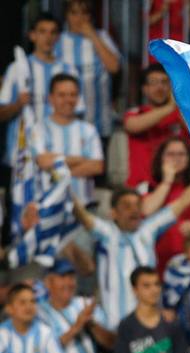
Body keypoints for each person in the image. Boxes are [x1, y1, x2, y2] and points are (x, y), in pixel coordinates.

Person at [72, 181, 190, 328]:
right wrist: (63, 184)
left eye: (137, 205)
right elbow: (82, 215)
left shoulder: (148, 229)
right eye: (127, 206)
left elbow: (182, 202)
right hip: (114, 329)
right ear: (113, 213)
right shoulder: (107, 233)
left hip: (149, 327)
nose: (134, 210)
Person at [0, 13, 80, 175]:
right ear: (32, 35)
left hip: (58, 153)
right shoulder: (17, 69)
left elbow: (78, 113)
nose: (48, 37)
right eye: (42, 31)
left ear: (58, 37)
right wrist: (18, 104)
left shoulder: (69, 70)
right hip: (22, 155)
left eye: (53, 32)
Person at [114, 266, 190, 353]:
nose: (154, 290)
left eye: (156, 284)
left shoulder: (171, 323)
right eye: (146, 285)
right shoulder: (127, 325)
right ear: (135, 289)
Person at [142, 137, 190, 274]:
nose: (176, 158)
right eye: (171, 154)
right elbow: (147, 210)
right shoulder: (148, 187)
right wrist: (167, 180)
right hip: (159, 261)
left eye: (181, 154)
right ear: (161, 158)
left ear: (189, 158)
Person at [33, 73, 104, 207]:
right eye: (62, 95)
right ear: (51, 98)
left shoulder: (89, 130)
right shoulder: (39, 128)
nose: (68, 99)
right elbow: (43, 161)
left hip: (83, 207)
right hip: (48, 207)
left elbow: (97, 166)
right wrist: (81, 159)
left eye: (73, 94)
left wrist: (59, 170)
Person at [56, 0, 121, 143]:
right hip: (66, 126)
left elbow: (114, 67)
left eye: (84, 13)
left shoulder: (102, 36)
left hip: (100, 125)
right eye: (74, 13)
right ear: (66, 16)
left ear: (90, 16)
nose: (80, 18)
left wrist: (92, 36)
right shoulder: (59, 41)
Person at [124, 63, 189, 190]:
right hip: (141, 188)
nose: (160, 87)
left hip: (176, 187)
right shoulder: (136, 113)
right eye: (154, 82)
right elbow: (132, 126)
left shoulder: (180, 115)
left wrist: (178, 107)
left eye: (164, 82)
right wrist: (170, 107)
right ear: (144, 88)